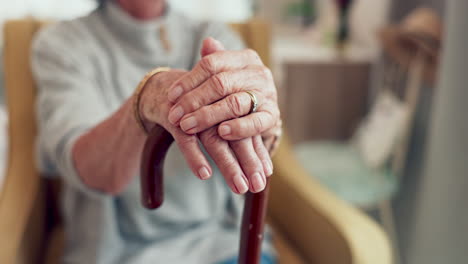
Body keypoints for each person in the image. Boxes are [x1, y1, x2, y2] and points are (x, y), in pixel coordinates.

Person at [31, 0, 282, 263]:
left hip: (220, 245)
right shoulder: (61, 44)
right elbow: (90, 169)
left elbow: (255, 137)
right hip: (120, 255)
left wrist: (263, 119)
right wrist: (142, 103)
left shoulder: (213, 35)